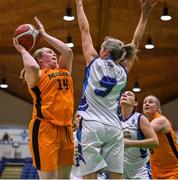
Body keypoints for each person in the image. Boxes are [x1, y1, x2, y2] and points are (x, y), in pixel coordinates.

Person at [75, 0, 157, 179]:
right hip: (114, 127)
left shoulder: (93, 61)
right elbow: (136, 42)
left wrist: (79, 3)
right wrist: (144, 16)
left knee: (89, 175)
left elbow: (84, 29)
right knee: (116, 176)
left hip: (92, 124)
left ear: (104, 52)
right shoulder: (123, 70)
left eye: (101, 47)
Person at [13, 17, 74, 179]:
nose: (54, 54)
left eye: (54, 53)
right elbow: (32, 66)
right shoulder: (36, 75)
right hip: (44, 128)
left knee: (64, 177)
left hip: (66, 128)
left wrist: (44, 35)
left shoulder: (64, 68)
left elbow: (67, 51)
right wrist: (23, 50)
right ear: (39, 58)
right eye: (49, 52)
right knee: (49, 178)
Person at [120, 91, 158, 179]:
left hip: (140, 170)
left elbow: (155, 142)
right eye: (123, 95)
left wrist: (130, 143)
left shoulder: (139, 118)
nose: (125, 95)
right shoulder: (114, 120)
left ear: (135, 103)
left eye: (129, 94)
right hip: (120, 170)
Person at [143, 95, 178, 179]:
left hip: (173, 167)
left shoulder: (161, 120)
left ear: (157, 107)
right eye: (144, 102)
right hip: (156, 168)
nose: (146, 104)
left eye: (150, 102)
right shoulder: (144, 122)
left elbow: (143, 134)